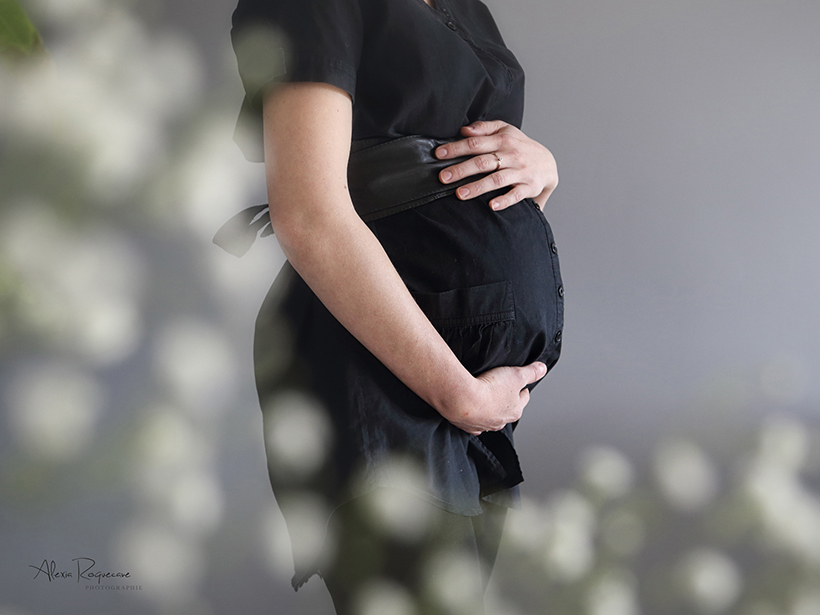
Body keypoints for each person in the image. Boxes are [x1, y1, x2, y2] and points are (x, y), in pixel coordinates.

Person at [219, 0, 564, 612]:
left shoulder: (466, 8)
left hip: (461, 401)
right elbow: (308, 216)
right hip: (386, 374)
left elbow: (460, 188)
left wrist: (541, 168)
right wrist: (458, 392)